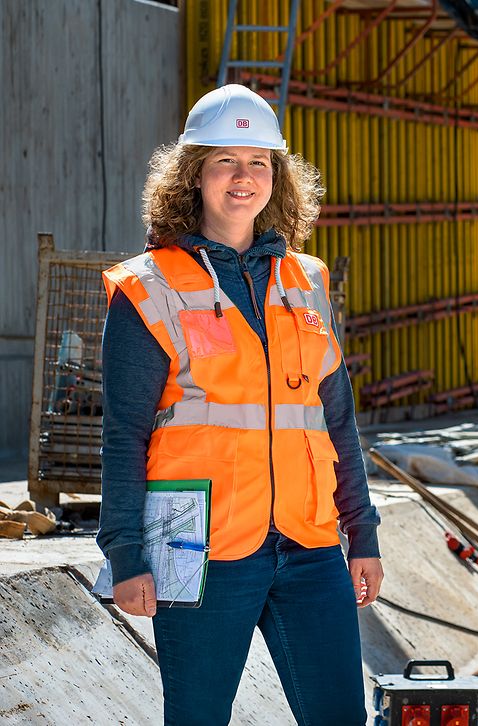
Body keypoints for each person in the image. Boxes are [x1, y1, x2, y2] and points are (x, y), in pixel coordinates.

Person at [96, 84, 382, 725]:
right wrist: (125, 555)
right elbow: (124, 435)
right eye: (225, 160)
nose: (243, 177)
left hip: (309, 546)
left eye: (259, 162)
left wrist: (361, 533)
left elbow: (335, 420)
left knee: (340, 715)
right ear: (194, 175)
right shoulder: (149, 287)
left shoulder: (305, 281)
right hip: (198, 553)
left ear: (277, 178)